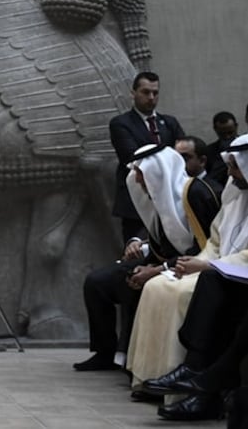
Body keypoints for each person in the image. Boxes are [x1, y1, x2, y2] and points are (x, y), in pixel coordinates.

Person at [74, 143, 219, 371]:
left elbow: (204, 248)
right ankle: (106, 352)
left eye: (141, 173)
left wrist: (156, 269)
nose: (138, 180)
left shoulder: (195, 195)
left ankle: (141, 364)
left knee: (143, 285)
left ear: (158, 172)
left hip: (188, 267)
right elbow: (160, 238)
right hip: (160, 262)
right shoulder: (158, 196)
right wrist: (144, 262)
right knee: (97, 282)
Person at [125, 135, 248, 400]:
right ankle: (150, 380)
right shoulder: (235, 198)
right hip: (216, 266)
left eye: (235, 166)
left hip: (230, 274)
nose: (230, 173)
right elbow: (215, 240)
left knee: (182, 292)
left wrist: (205, 265)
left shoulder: (197, 193)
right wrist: (197, 263)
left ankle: (187, 379)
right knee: (158, 286)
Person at [109, 72, 186, 244]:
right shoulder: (121, 123)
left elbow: (181, 156)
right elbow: (132, 157)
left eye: (155, 93)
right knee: (135, 253)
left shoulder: (169, 122)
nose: (151, 97)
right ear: (133, 93)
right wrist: (167, 156)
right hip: (137, 198)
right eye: (145, 92)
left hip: (170, 198)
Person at [205, 111, 238, 186]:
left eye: (230, 132)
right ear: (215, 129)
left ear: (236, 126)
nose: (227, 137)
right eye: (222, 134)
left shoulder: (245, 146)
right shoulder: (209, 151)